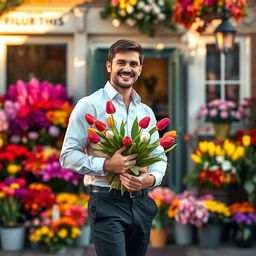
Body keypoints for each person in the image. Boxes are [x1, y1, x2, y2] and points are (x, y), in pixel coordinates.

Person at [60, 39, 167, 256]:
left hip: (141, 202)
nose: (127, 69)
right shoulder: (89, 105)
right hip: (106, 201)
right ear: (109, 65)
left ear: (140, 69)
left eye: (133, 64)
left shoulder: (145, 112)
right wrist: (108, 165)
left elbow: (159, 156)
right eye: (121, 62)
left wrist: (151, 179)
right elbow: (67, 156)